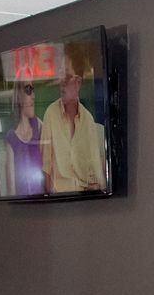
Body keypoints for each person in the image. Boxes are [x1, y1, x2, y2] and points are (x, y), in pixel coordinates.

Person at [40, 62, 106, 195]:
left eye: (67, 77)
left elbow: (96, 168)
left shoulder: (87, 119)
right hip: (59, 197)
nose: (62, 83)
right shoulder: (51, 114)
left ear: (78, 83)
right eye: (60, 78)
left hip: (84, 198)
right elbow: (45, 165)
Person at [3, 82, 45, 197]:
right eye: (28, 89)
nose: (33, 96)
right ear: (18, 95)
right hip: (22, 210)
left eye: (33, 89)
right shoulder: (11, 139)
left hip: (44, 207)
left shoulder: (39, 126)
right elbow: (11, 190)